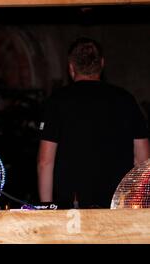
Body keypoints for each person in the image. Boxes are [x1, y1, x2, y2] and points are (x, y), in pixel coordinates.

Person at [37, 37, 149, 208]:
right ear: (102, 64)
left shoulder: (58, 101)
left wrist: (46, 207)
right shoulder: (126, 100)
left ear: (71, 67)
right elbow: (142, 161)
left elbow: (45, 161)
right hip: (116, 207)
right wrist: (136, 206)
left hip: (71, 210)